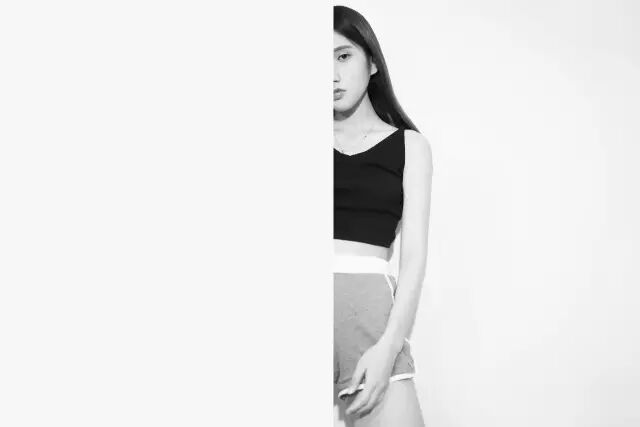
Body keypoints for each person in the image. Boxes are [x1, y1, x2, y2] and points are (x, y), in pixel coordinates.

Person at [333, 5, 433, 426]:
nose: (330, 75)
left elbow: (413, 261)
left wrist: (390, 346)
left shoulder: (410, 147)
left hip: (367, 313)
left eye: (343, 56)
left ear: (372, 61)